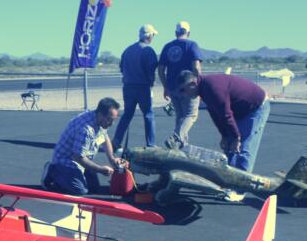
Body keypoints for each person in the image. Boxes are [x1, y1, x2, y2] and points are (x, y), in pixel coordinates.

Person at [176, 70, 270, 175]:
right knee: (229, 146)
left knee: (242, 148)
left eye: (183, 90)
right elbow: (215, 114)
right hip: (240, 109)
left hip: (255, 107)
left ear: (193, 84)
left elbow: (226, 115)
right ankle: (229, 177)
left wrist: (237, 138)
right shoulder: (204, 89)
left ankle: (242, 182)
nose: (183, 94)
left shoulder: (213, 88)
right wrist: (224, 135)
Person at [42, 97, 125, 195]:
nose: (111, 124)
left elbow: (104, 137)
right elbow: (78, 157)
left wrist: (112, 159)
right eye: (109, 120)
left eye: (113, 120)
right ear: (100, 114)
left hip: (80, 158)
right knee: (80, 191)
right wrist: (100, 169)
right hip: (66, 161)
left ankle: (67, 178)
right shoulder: (85, 129)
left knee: (94, 188)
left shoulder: (99, 119)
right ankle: (53, 171)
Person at [112, 24, 159, 152]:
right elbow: (151, 70)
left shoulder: (128, 50)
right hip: (143, 87)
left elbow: (121, 67)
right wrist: (151, 82)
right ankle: (151, 144)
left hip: (128, 86)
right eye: (153, 35)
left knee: (127, 114)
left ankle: (116, 141)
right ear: (149, 36)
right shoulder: (148, 51)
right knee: (148, 114)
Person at [157, 21, 204, 149]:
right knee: (191, 115)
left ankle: (181, 145)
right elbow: (196, 67)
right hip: (189, 87)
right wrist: (199, 84)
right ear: (188, 33)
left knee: (181, 117)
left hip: (173, 86)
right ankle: (176, 137)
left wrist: (165, 86)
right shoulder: (192, 45)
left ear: (176, 33)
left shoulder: (167, 46)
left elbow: (160, 70)